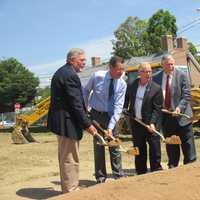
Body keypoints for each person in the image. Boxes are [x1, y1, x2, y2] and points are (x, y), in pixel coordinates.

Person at [47, 48, 97, 193]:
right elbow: (75, 103)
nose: (84, 63)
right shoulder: (69, 75)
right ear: (71, 60)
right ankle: (71, 191)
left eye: (84, 60)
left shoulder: (63, 72)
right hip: (66, 123)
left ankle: (70, 187)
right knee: (69, 158)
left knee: (67, 157)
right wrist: (88, 125)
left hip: (64, 121)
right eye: (81, 60)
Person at [83, 56, 127, 183]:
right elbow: (86, 91)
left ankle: (118, 176)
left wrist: (110, 127)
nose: (121, 72)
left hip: (112, 116)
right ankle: (100, 178)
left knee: (115, 145)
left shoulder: (122, 83)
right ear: (110, 68)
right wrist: (85, 109)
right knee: (99, 146)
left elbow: (119, 106)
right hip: (96, 115)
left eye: (123, 69)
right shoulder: (97, 76)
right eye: (119, 69)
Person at [153, 54, 196, 168]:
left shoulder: (182, 75)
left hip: (182, 116)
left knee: (188, 145)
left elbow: (187, 95)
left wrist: (179, 108)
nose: (171, 66)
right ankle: (173, 166)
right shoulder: (156, 77)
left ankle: (190, 167)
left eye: (172, 64)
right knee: (171, 145)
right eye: (168, 64)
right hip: (166, 117)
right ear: (162, 65)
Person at [124, 62, 163, 175]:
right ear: (139, 73)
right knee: (139, 149)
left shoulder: (156, 88)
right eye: (145, 71)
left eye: (150, 71)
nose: (148, 74)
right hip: (136, 123)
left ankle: (156, 171)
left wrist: (152, 123)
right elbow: (126, 98)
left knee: (155, 149)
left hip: (151, 124)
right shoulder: (132, 84)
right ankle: (141, 172)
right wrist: (125, 108)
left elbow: (157, 109)